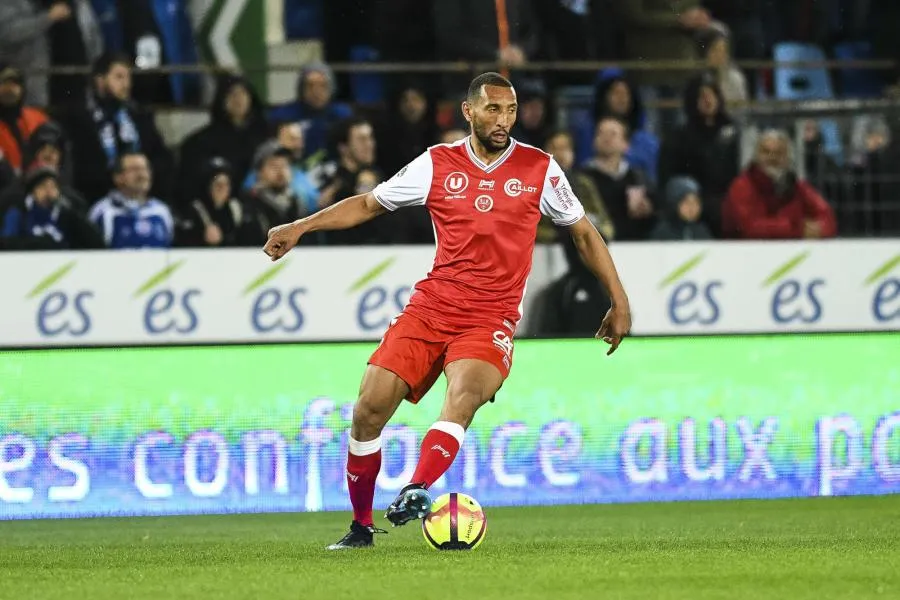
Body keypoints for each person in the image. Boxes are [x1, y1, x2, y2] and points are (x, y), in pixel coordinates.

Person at [263, 72, 632, 549]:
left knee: (465, 395)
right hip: (431, 308)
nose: (504, 120)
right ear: (469, 112)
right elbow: (370, 205)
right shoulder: (437, 164)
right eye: (493, 110)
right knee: (367, 410)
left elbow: (583, 232)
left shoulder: (539, 168)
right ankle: (360, 528)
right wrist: (300, 226)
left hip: (491, 317)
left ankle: (417, 488)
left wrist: (619, 300)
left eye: (511, 110)